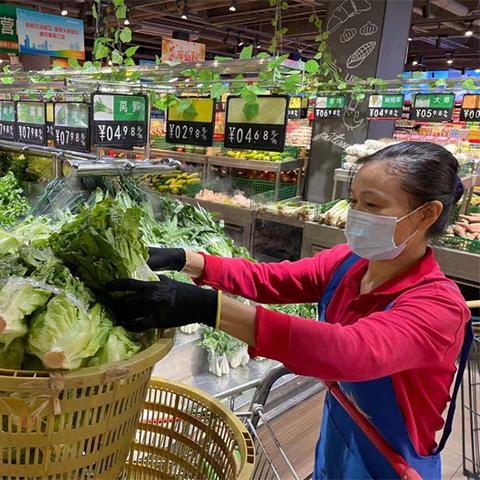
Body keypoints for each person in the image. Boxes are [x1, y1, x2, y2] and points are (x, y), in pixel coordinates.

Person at [108, 141, 472, 479]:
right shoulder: (349, 263)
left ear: (426, 215)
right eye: (354, 201)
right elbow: (273, 280)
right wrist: (190, 260)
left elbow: (348, 351)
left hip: (392, 460)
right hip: (341, 426)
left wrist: (209, 308)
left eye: (372, 205)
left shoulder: (438, 309)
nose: (355, 215)